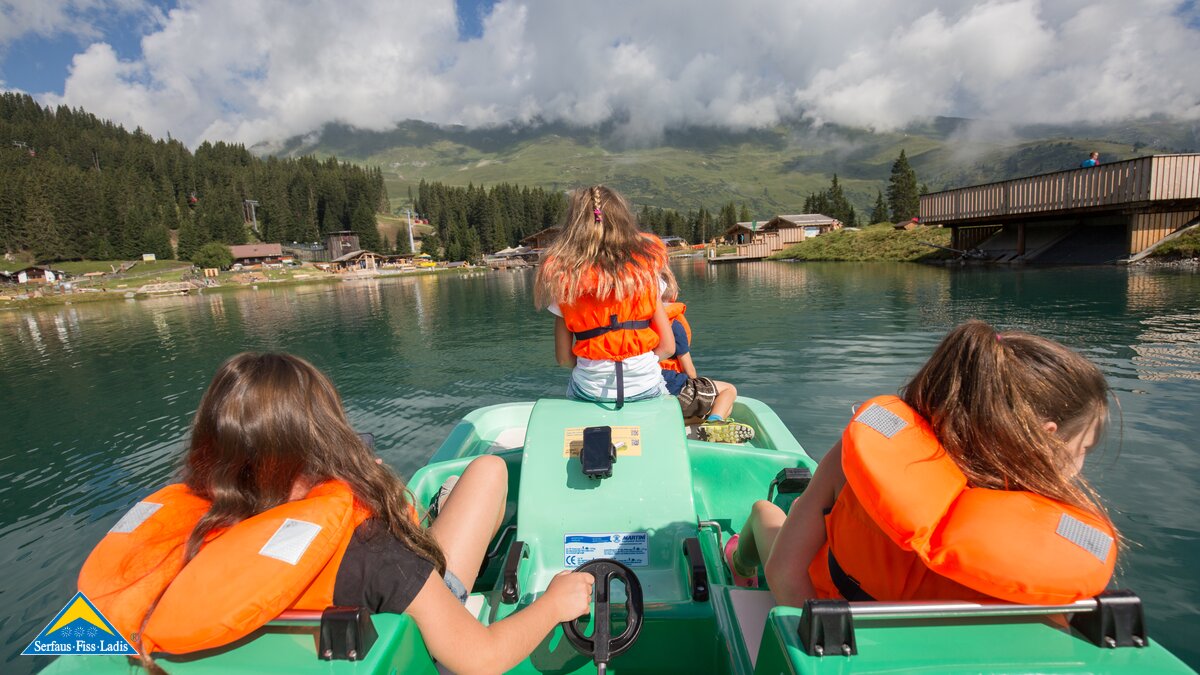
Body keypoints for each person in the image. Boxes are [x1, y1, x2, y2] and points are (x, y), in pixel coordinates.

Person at [78, 353, 593, 674]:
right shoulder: (371, 552)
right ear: (326, 444)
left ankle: (433, 514)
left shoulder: (169, 548)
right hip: (423, 639)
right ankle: (435, 518)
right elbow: (480, 660)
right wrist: (552, 604)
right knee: (489, 474)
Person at [724, 321, 1118, 606]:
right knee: (768, 513)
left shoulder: (855, 454)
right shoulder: (1046, 547)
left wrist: (815, 645)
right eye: (1083, 447)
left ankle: (738, 558)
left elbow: (783, 571)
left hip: (830, 620)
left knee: (766, 512)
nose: (1080, 463)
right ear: (1046, 437)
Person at [535, 186, 675, 407]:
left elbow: (563, 359)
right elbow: (668, 347)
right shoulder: (645, 277)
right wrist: (642, 363)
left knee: (577, 388)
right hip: (645, 385)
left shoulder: (566, 284)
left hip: (589, 390)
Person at [658, 267, 754, 443]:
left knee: (728, 408)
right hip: (671, 387)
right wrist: (695, 381)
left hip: (649, 387)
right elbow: (689, 370)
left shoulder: (640, 323)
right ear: (673, 295)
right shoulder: (674, 325)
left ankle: (704, 423)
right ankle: (714, 424)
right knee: (728, 392)